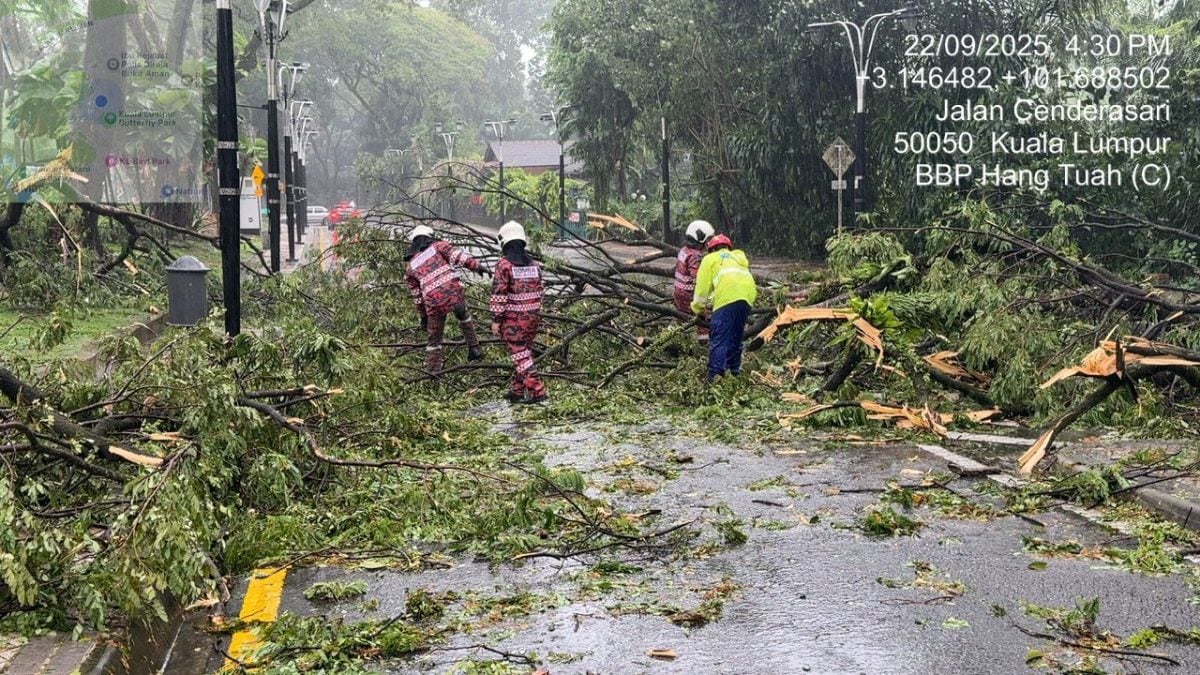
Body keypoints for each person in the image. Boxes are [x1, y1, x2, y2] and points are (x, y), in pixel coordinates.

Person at [405, 224, 485, 374]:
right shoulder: (439, 246)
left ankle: (434, 373)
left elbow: (417, 296)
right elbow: (458, 257)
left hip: (433, 303)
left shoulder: (410, 267)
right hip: (453, 294)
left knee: (434, 339)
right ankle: (474, 348)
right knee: (463, 316)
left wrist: (423, 317)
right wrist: (477, 267)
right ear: (429, 237)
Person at [490, 221, 547, 404]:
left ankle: (537, 391)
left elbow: (499, 294)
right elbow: (540, 291)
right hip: (532, 318)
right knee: (523, 353)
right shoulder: (534, 265)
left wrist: (496, 320)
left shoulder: (504, 265)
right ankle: (517, 390)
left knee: (520, 354)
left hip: (513, 321)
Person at [691, 233, 757, 380]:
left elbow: (701, 290)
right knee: (735, 336)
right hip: (747, 298)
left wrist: (698, 309)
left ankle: (715, 376)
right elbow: (728, 282)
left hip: (728, 298)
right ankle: (734, 372)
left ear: (712, 249)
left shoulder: (709, 259)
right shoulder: (737, 259)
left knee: (720, 337)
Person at [675, 220, 714, 342]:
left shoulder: (683, 251)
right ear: (700, 238)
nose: (708, 243)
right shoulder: (696, 256)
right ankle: (703, 346)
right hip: (690, 296)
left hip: (678, 293)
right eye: (707, 240)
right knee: (703, 322)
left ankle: (676, 340)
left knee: (681, 319)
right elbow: (698, 279)